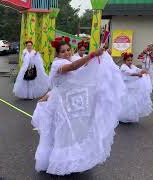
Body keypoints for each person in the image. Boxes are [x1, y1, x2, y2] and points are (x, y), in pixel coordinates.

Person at [31, 36, 125, 175]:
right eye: (63, 51)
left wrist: (100, 56)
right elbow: (73, 68)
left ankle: (74, 161)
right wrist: (92, 54)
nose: (67, 53)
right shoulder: (58, 64)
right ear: (57, 54)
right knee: (63, 132)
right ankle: (61, 162)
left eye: (68, 49)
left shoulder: (73, 58)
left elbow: (84, 66)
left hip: (73, 103)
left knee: (74, 132)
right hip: (61, 105)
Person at [119, 52, 153, 123]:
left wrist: (143, 71)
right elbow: (129, 73)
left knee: (132, 103)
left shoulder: (132, 66)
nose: (130, 62)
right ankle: (123, 116)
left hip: (134, 87)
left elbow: (138, 69)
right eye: (128, 60)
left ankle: (130, 117)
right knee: (126, 102)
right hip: (126, 87)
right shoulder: (123, 67)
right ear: (125, 61)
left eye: (131, 60)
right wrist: (137, 74)